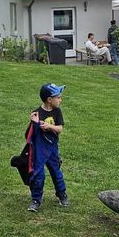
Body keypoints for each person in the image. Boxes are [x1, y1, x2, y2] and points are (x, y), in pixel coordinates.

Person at [26, 84, 70, 212]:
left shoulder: (57, 112)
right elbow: (29, 135)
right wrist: (34, 123)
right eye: (58, 97)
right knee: (38, 174)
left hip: (52, 148)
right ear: (50, 100)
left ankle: (62, 194)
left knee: (56, 173)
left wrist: (49, 127)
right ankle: (36, 200)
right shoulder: (37, 112)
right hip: (39, 149)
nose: (61, 100)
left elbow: (60, 128)